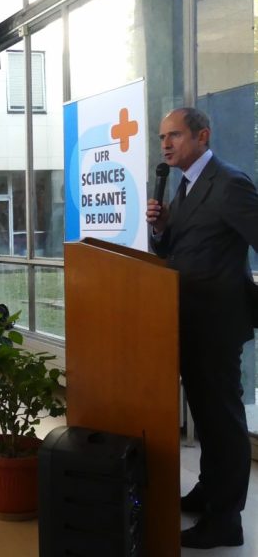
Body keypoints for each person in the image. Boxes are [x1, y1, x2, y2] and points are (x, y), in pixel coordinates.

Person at [145, 107, 258, 550]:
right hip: (187, 317)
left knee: (223, 422)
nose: (166, 145)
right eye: (161, 138)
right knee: (207, 419)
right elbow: (175, 248)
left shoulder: (229, 183)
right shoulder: (186, 186)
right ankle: (208, 492)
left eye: (174, 135)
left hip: (217, 321)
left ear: (203, 136)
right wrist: (159, 228)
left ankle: (225, 521)